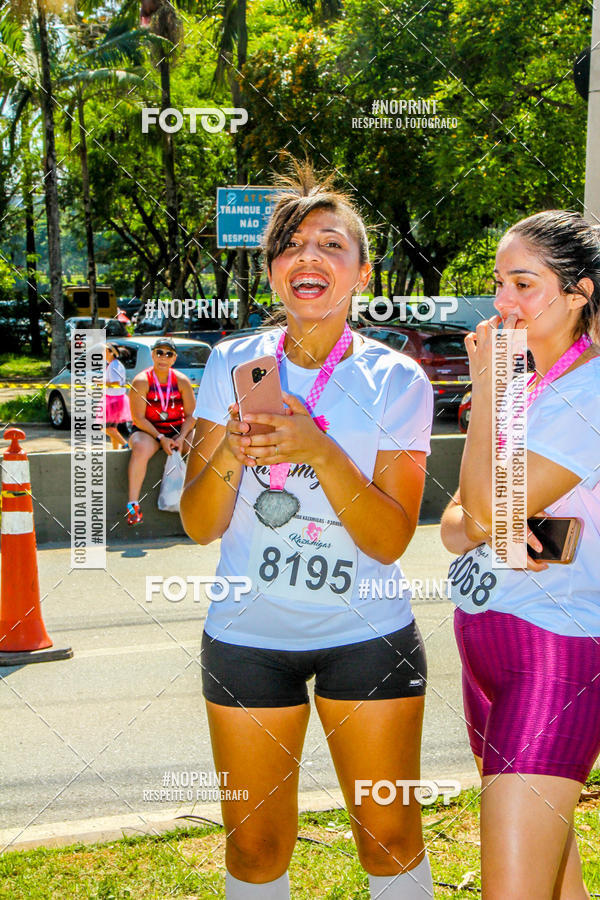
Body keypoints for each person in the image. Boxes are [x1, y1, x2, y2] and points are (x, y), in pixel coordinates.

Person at [181, 160, 435, 899]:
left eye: (331, 244)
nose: (309, 256)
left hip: (369, 637)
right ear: (272, 276)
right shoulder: (231, 362)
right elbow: (199, 524)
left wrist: (318, 448)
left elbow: (389, 540)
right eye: (290, 245)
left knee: (388, 836)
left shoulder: (397, 380)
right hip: (247, 640)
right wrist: (233, 440)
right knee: (255, 847)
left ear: (361, 273)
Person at [440, 210, 600, 899]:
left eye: (524, 283)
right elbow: (452, 525)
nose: (502, 302)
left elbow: (476, 510)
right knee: (555, 887)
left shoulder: (588, 389)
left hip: (554, 653)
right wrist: (492, 525)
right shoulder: (529, 385)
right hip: (486, 646)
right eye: (499, 281)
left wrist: (486, 389)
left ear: (580, 293)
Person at [127, 337, 196, 526]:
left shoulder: (181, 381)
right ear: (152, 355)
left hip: (176, 432)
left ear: (174, 358)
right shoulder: (141, 381)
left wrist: (181, 437)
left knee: (200, 441)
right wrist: (160, 437)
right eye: (159, 353)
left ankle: (197, 499)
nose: (163, 358)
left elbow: (192, 415)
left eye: (168, 354)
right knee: (141, 448)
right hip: (148, 432)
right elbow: (138, 418)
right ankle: (133, 506)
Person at [102, 343, 131, 450]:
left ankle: (126, 445)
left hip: (114, 399)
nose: (102, 354)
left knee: (106, 427)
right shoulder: (113, 364)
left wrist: (101, 383)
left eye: (104, 351)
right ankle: (115, 450)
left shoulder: (114, 365)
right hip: (114, 398)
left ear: (111, 353)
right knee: (113, 428)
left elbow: (116, 382)